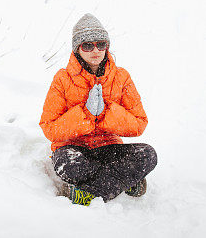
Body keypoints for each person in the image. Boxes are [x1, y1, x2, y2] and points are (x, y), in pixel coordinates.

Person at [39, 13, 157, 205]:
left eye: (101, 44)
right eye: (87, 45)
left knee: (147, 155)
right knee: (69, 165)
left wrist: (106, 113)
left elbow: (139, 123)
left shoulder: (121, 77)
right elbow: (49, 128)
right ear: (77, 48)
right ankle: (124, 180)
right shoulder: (62, 79)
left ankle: (85, 192)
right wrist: (85, 114)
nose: (95, 50)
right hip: (73, 149)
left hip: (108, 146)